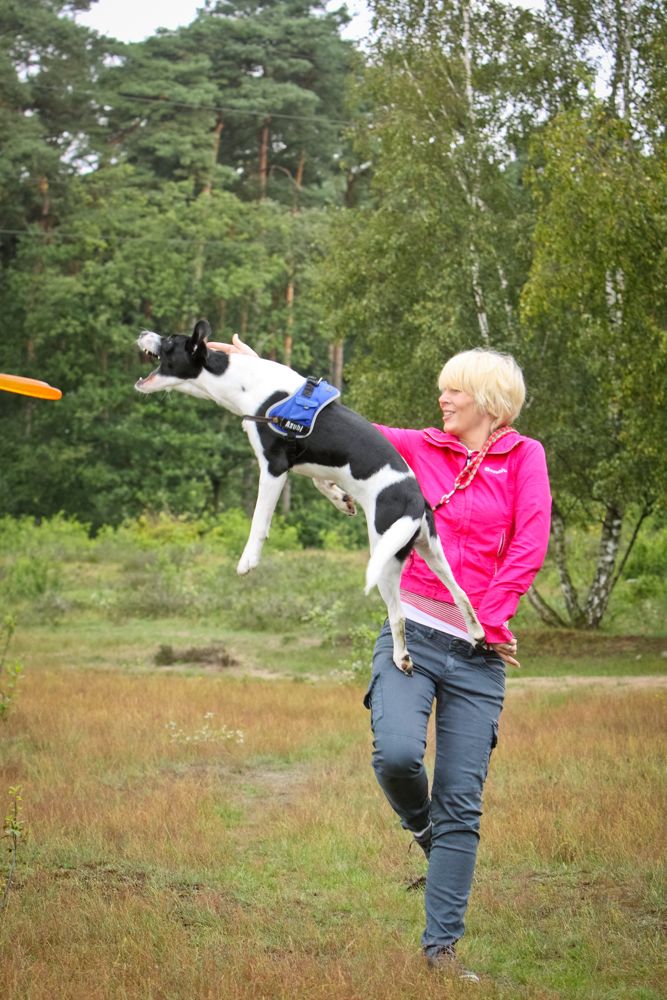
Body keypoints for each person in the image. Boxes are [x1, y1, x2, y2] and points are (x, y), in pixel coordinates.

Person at [209, 337, 551, 982]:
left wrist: (493, 620)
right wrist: (259, 371)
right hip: (414, 637)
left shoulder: (525, 458)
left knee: (463, 802)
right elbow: (335, 424)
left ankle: (440, 952)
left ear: (490, 403)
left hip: (479, 657)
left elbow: (529, 540)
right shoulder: (416, 444)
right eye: (443, 388)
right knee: (395, 756)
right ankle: (428, 835)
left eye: (454, 389)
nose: (442, 397)